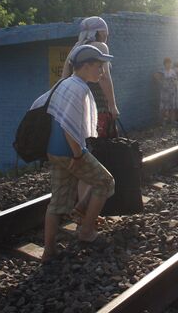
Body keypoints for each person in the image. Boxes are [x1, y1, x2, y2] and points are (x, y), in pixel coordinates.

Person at [35, 45, 116, 261]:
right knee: (105, 182)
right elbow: (66, 126)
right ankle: (87, 231)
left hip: (54, 150)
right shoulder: (78, 88)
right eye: (99, 66)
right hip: (70, 151)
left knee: (58, 201)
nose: (102, 70)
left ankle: (49, 250)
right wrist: (78, 155)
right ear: (86, 65)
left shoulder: (65, 84)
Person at [62, 16, 119, 138]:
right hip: (97, 102)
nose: (106, 36)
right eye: (106, 32)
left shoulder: (75, 49)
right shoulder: (100, 46)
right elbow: (104, 77)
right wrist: (112, 105)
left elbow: (64, 77)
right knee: (101, 141)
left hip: (77, 101)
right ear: (100, 32)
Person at [158, 57, 178, 124]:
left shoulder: (173, 71)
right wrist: (162, 82)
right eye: (167, 63)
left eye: (170, 63)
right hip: (165, 93)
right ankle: (163, 121)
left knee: (172, 107)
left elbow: (177, 79)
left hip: (173, 92)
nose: (169, 65)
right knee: (164, 108)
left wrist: (176, 80)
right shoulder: (162, 72)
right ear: (164, 64)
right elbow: (155, 76)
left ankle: (172, 121)